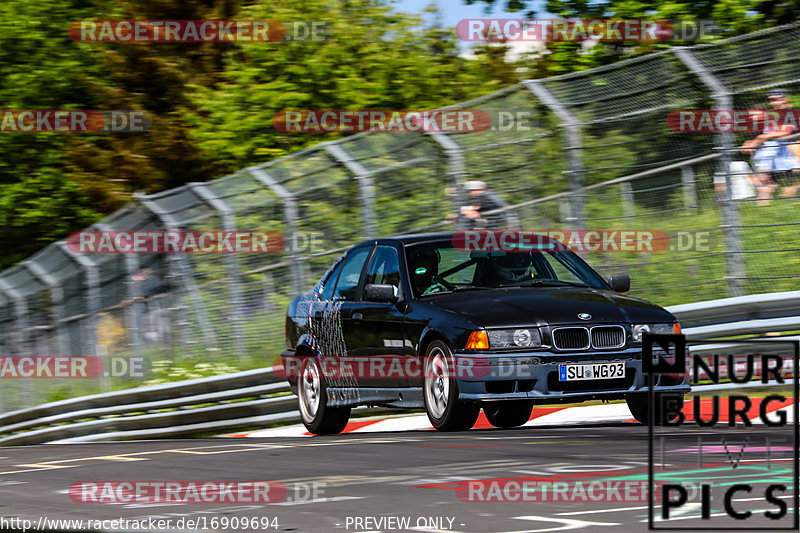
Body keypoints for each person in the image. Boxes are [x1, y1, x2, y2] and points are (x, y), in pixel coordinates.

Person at [741, 89, 800, 204]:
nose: (773, 103)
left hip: (793, 145)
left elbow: (786, 132)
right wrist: (752, 142)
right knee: (768, 149)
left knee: (793, 146)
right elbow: (769, 132)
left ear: (785, 99)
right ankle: (766, 185)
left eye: (776, 99)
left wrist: (760, 138)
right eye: (772, 100)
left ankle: (768, 183)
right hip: (781, 148)